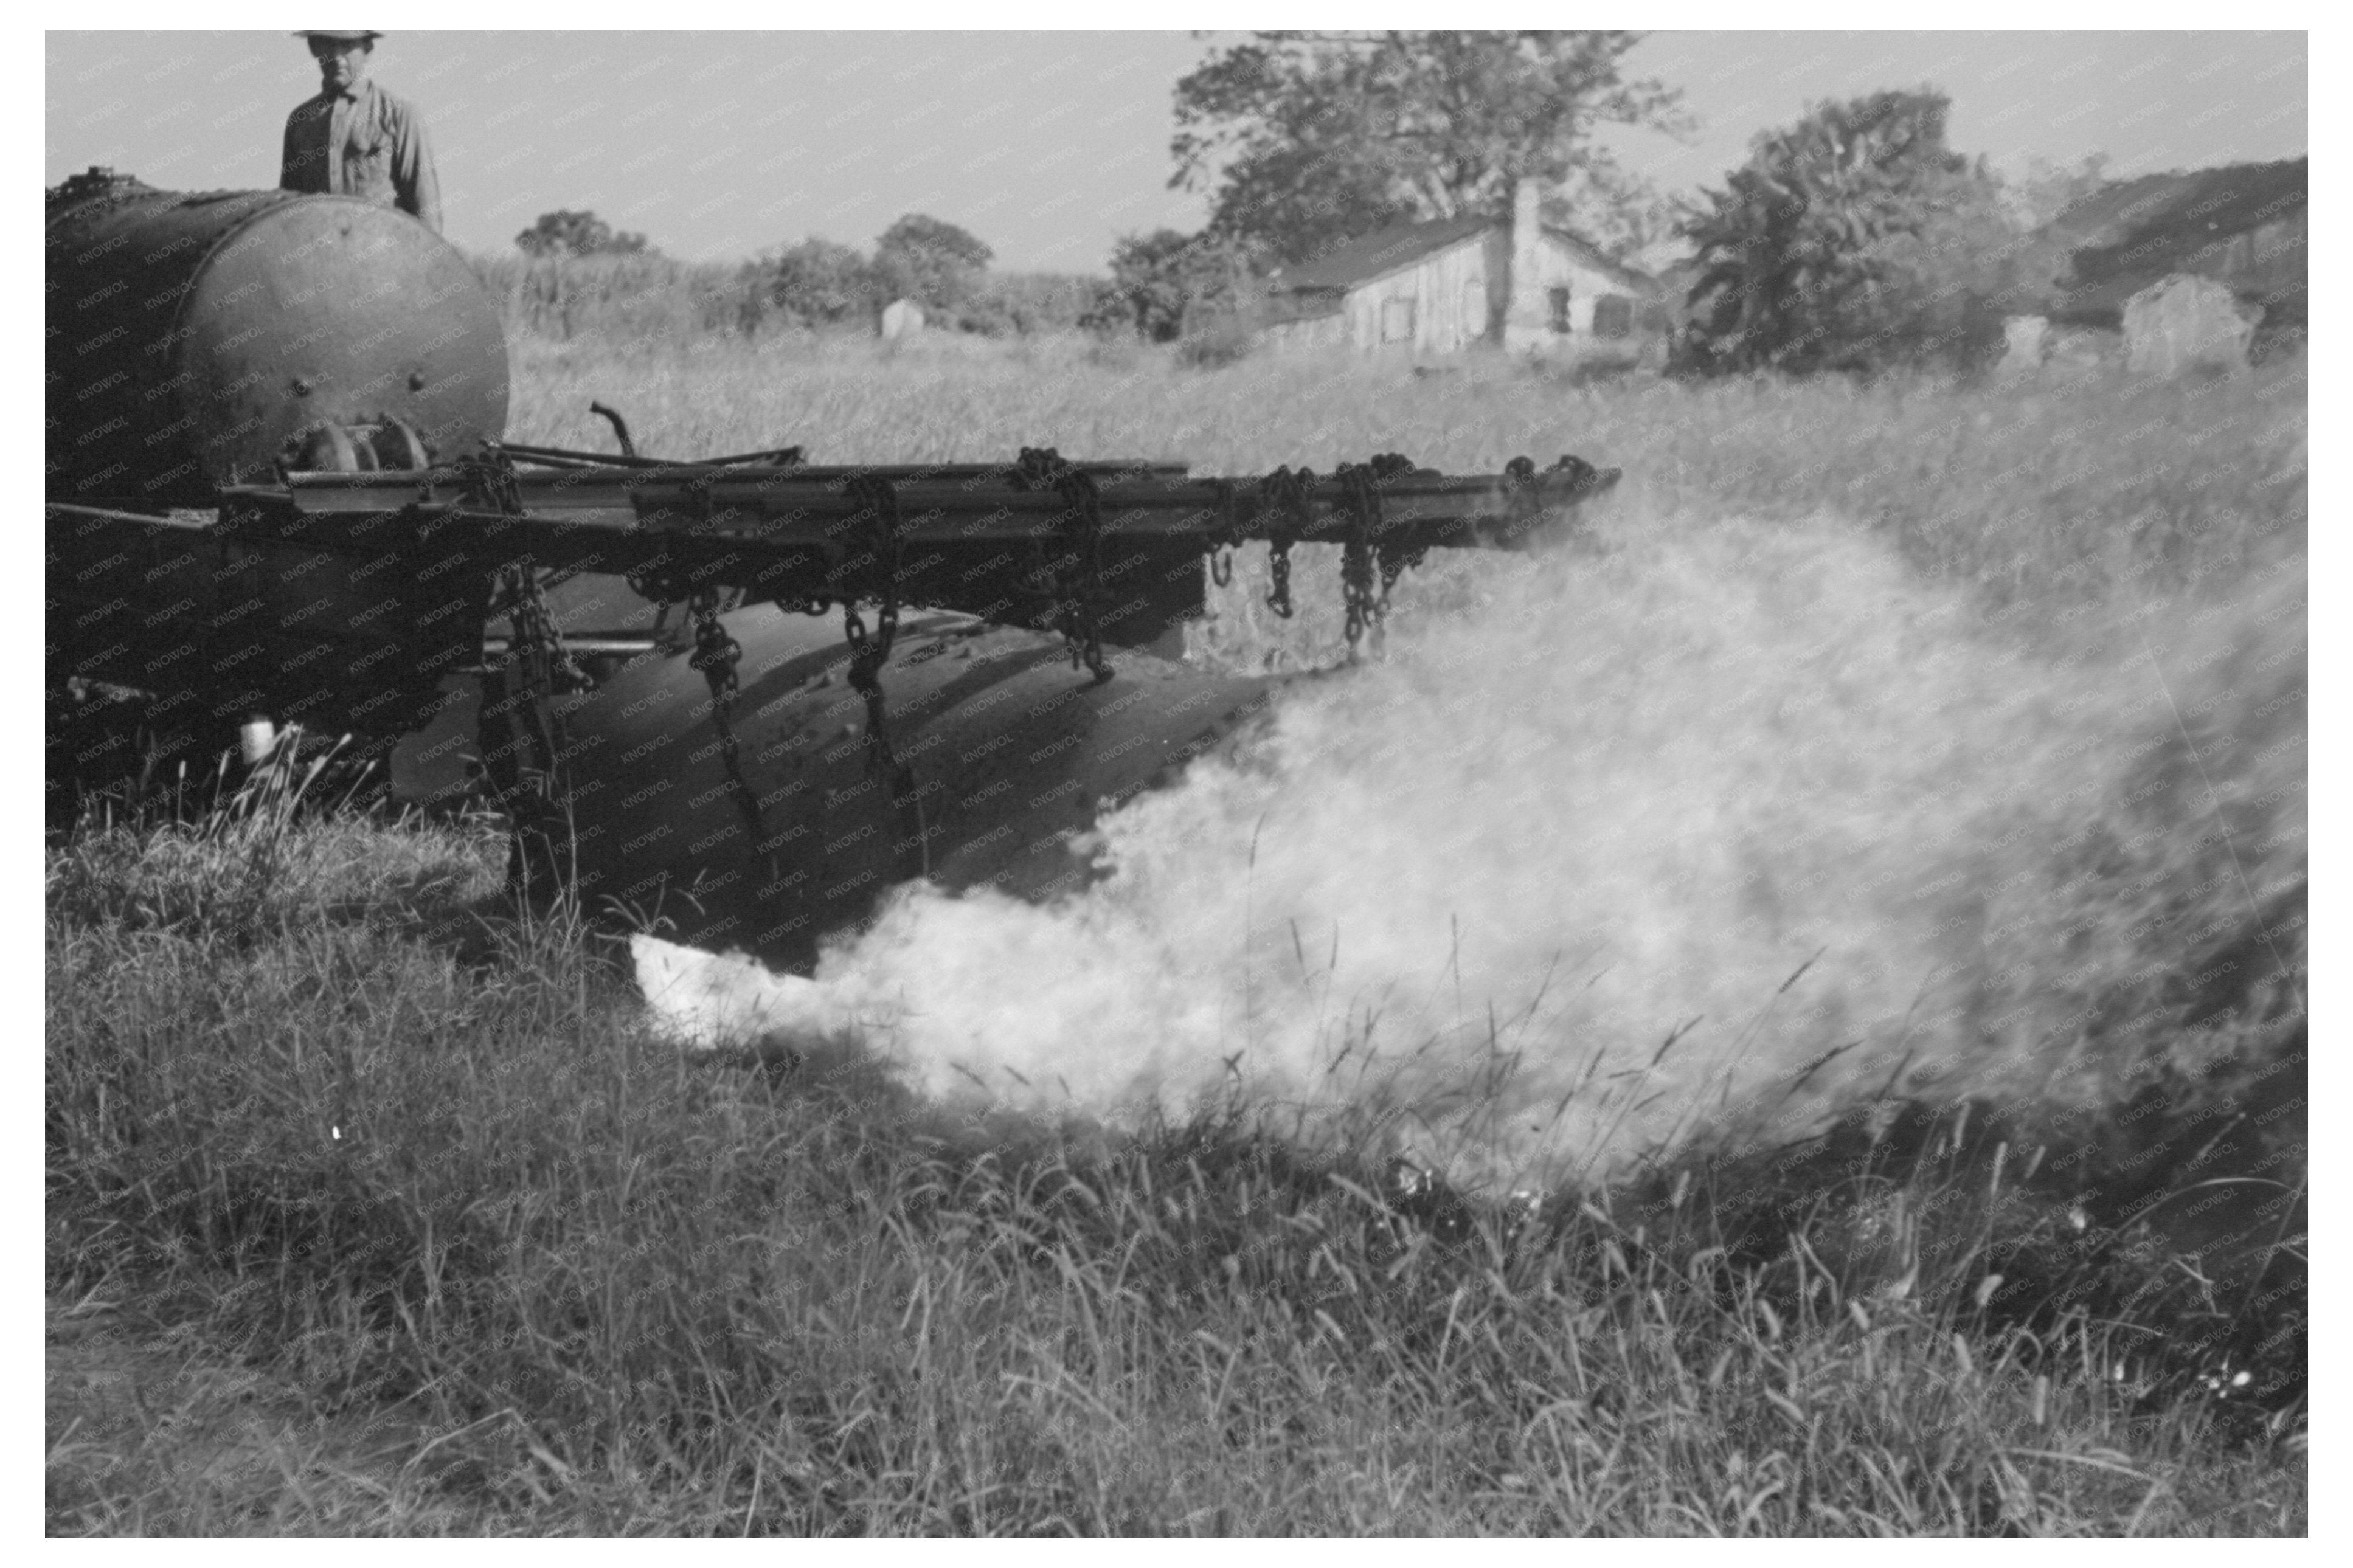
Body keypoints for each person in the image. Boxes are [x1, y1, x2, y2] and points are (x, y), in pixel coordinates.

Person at [280, 29, 442, 233]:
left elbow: (427, 212)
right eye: (328, 44)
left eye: (347, 46)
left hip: (384, 248)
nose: (337, 56)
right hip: (319, 248)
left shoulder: (398, 113)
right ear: (313, 47)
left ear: (368, 48)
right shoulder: (301, 121)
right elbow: (287, 213)